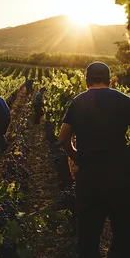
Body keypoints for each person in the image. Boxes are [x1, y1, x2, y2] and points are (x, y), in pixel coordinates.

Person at [58, 62, 130, 258]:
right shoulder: (125, 101)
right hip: (121, 179)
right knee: (123, 235)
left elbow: (63, 137)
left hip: (89, 179)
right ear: (109, 80)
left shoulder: (78, 101)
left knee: (88, 238)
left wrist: (75, 156)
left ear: (86, 81)